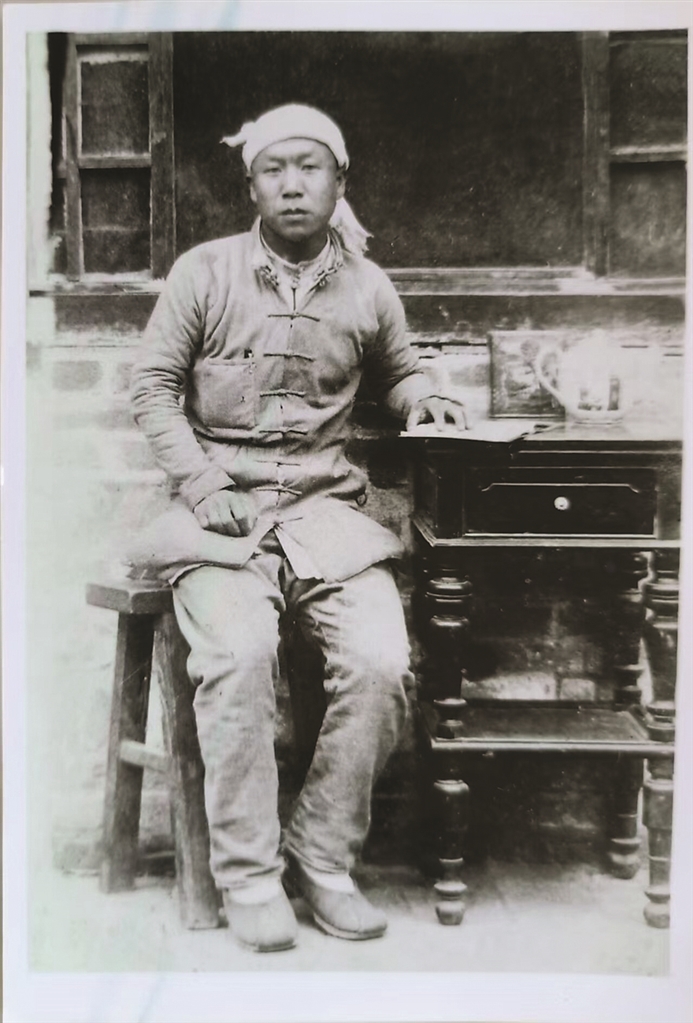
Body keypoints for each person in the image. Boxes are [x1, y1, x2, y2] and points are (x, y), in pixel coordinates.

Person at [129, 104, 466, 952]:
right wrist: (204, 480)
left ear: (338, 181)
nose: (291, 185)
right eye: (273, 169)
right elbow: (152, 389)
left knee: (382, 661)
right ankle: (248, 875)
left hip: (325, 518)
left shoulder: (367, 285)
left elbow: (401, 368)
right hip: (218, 521)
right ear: (250, 185)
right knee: (238, 655)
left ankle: (321, 857)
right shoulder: (203, 273)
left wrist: (422, 396)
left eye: (308, 168)